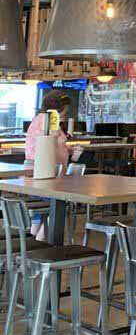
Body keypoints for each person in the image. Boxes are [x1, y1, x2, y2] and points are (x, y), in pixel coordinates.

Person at [25, 93, 80, 237]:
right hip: (47, 174)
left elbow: (50, 145)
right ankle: (42, 242)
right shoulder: (49, 121)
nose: (66, 114)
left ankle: (34, 243)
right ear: (57, 109)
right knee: (56, 207)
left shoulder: (40, 119)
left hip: (36, 173)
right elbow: (48, 146)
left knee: (39, 212)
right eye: (65, 111)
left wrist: (67, 150)